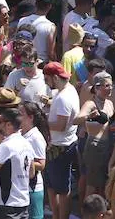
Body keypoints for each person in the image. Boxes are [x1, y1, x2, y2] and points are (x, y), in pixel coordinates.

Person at [42, 62, 80, 219]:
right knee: (51, 186)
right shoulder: (65, 90)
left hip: (61, 148)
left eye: (47, 79)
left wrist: (42, 122)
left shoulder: (64, 97)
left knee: (63, 190)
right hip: (56, 146)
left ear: (55, 78)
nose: (45, 82)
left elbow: (61, 125)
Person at [0, 107, 34, 219]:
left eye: (0, 122)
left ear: (8, 125)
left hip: (8, 203)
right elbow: (31, 173)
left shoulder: (6, 146)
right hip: (24, 202)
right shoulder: (27, 144)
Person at [76, 72, 115, 197]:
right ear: (98, 87)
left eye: (111, 85)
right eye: (107, 85)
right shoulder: (91, 104)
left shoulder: (109, 103)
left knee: (103, 184)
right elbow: (76, 120)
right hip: (94, 146)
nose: (110, 88)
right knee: (91, 185)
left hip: (107, 146)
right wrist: (89, 116)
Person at [19, 101, 49, 219]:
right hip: (23, 187)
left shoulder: (36, 137)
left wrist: (24, 162)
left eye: (21, 114)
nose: (18, 116)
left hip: (33, 188)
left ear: (30, 117)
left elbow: (42, 164)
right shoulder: (21, 134)